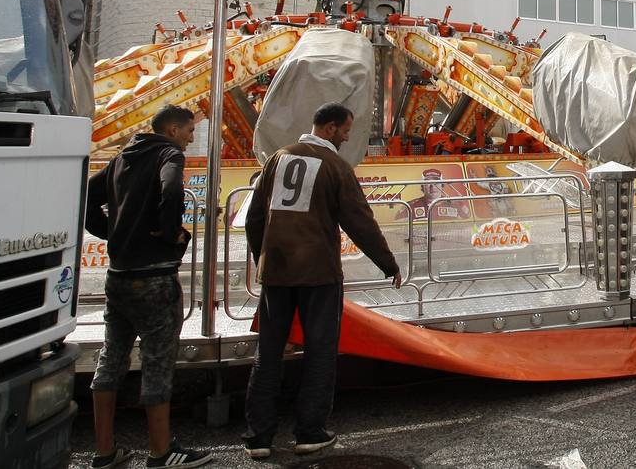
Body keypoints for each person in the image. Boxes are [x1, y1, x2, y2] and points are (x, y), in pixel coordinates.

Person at [242, 102, 402, 459]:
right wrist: (388, 263)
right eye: (345, 130)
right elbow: (359, 222)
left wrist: (262, 259)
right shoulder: (336, 167)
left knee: (268, 353)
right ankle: (310, 431)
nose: (346, 137)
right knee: (320, 351)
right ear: (329, 128)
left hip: (276, 272)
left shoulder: (278, 159)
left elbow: (255, 218)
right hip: (318, 272)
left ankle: (258, 437)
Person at [85, 104, 210, 469]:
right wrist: (170, 231)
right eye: (188, 131)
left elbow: (88, 196)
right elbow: (171, 189)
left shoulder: (124, 155)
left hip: (118, 275)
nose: (190, 139)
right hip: (154, 276)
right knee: (157, 362)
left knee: (111, 359)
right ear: (172, 130)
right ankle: (160, 451)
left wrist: (111, 233)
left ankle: (104, 451)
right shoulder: (167, 154)